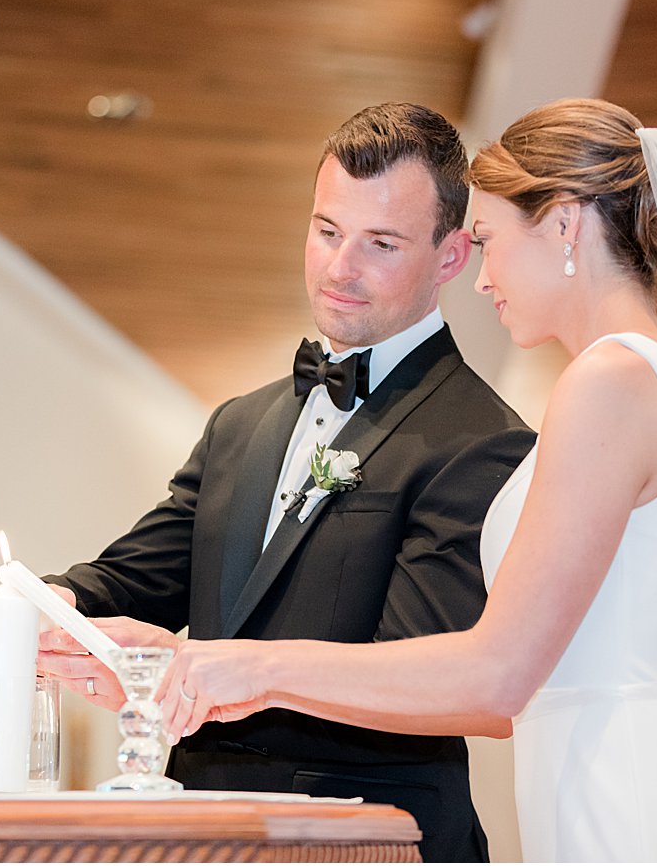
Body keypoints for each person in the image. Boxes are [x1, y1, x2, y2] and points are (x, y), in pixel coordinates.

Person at [154, 99, 657, 862]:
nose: (480, 276)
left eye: (490, 239)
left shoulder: (609, 382)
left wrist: (255, 667)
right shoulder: (647, 373)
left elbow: (497, 672)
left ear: (565, 225)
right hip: (611, 773)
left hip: (623, 797)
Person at [38, 102, 536, 863]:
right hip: (200, 835)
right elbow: (134, 579)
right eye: (328, 231)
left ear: (450, 255)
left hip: (368, 838)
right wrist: (54, 610)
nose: (341, 267)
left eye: (382, 243)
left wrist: (207, 670)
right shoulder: (241, 422)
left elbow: (428, 671)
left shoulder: (485, 440)